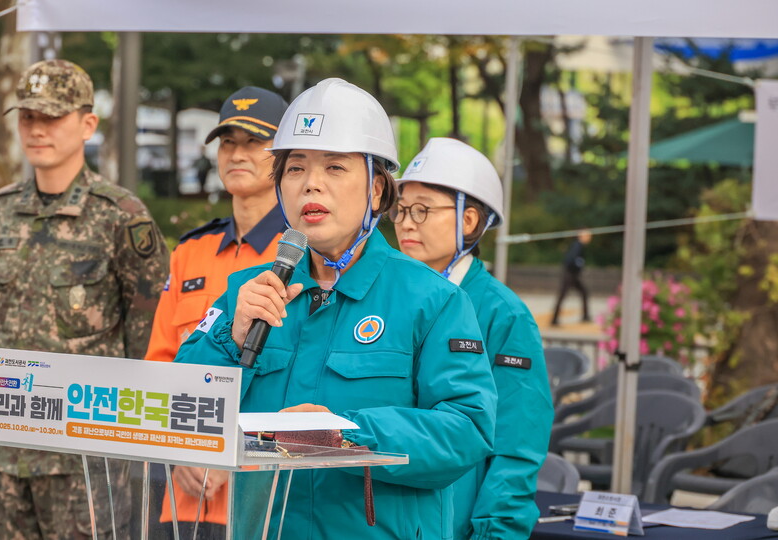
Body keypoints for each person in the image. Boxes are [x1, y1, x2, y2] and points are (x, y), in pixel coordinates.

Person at [173, 78, 497, 539]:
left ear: (377, 190)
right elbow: (179, 407)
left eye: (335, 167)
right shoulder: (248, 292)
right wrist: (232, 339)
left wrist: (341, 434)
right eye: (295, 168)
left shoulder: (432, 299)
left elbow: (466, 429)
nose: (311, 184)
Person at [0, 59, 169, 540]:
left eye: (52, 116)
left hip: (83, 454)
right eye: (28, 117)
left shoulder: (120, 217)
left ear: (87, 124)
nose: (37, 129)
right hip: (4, 448)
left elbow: (146, 337)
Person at [392, 137, 554, 539]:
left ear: (468, 221)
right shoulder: (389, 297)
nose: (406, 222)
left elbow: (517, 445)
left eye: (423, 209)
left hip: (457, 525)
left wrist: (493, 534)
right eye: (401, 209)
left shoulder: (504, 313)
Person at [146, 86, 289, 537]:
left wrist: (236, 451)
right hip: (186, 497)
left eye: (254, 141)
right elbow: (160, 365)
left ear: (284, 155)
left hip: (266, 499)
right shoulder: (190, 252)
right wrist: (178, 451)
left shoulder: (301, 257)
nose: (237, 154)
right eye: (228, 142)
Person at [551, 229, 593, 325]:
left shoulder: (579, 245)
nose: (589, 238)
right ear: (582, 236)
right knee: (562, 296)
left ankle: (585, 316)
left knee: (584, 292)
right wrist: (579, 266)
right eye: (588, 236)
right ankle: (554, 319)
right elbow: (570, 260)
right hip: (570, 275)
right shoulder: (577, 245)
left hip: (573, 275)